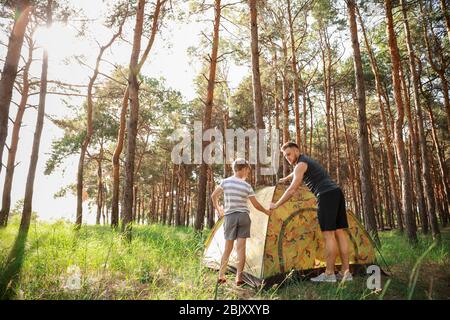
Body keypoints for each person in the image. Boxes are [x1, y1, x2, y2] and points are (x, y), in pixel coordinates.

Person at [269, 142, 352, 282]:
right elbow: (296, 172)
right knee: (339, 232)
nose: (287, 158)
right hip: (336, 192)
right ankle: (346, 272)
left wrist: (276, 204)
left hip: (325, 195)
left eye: (289, 154)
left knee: (329, 235)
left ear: (296, 151)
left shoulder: (300, 165)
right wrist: (287, 178)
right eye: (285, 156)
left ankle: (329, 274)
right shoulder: (305, 161)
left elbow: (292, 189)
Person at [211, 158, 271, 286]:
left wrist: (219, 208)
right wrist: (266, 211)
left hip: (230, 217)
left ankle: (221, 275)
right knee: (241, 248)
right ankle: (239, 278)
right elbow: (256, 205)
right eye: (247, 171)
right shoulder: (247, 186)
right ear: (243, 169)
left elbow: (213, 196)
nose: (248, 174)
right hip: (244, 217)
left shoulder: (225, 182)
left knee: (228, 247)